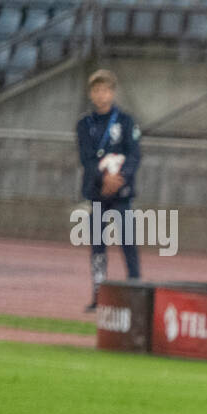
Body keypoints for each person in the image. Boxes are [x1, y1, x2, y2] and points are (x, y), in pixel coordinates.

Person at [76, 69, 142, 312]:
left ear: (112, 92)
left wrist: (120, 178)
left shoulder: (126, 121)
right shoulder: (85, 124)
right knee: (97, 247)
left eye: (105, 90)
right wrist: (103, 178)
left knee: (128, 243)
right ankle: (98, 295)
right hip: (97, 194)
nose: (101, 95)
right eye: (96, 90)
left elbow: (134, 154)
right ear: (91, 93)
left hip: (122, 194)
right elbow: (86, 158)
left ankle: (136, 292)